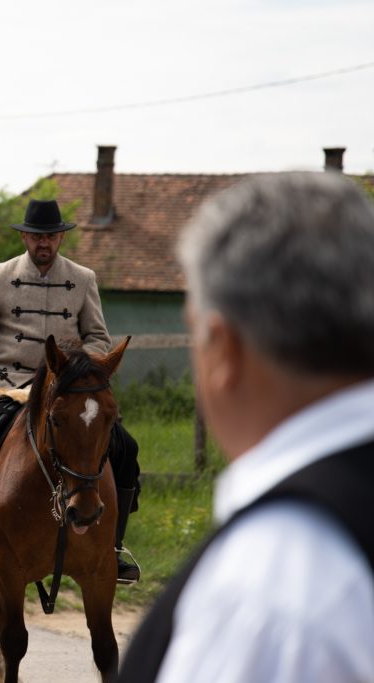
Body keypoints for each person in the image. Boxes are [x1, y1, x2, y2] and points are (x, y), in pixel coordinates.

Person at [118, 173, 374, 682]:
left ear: (222, 347)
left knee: (117, 448)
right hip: (9, 381)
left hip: (71, 382)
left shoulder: (265, 590)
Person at [0, 198, 142, 583]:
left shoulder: (83, 279)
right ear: (26, 236)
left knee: (125, 447)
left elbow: (97, 336)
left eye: (50, 236)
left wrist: (80, 369)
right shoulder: (0, 274)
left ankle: (115, 546)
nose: (43, 243)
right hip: (2, 385)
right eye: (36, 236)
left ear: (60, 237)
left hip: (65, 389)